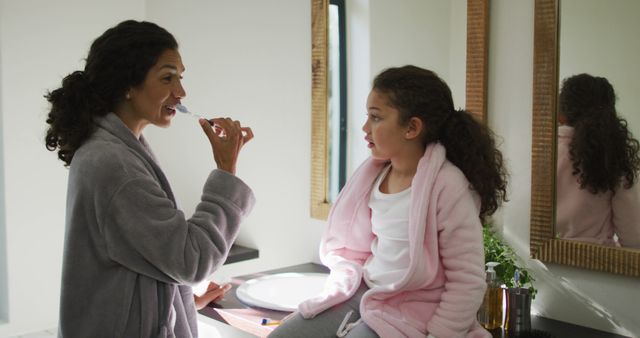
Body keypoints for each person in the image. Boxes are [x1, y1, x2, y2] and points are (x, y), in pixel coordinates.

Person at [44, 20, 255, 337]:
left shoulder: (113, 150)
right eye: (168, 78)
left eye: (181, 78)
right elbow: (191, 260)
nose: (181, 93)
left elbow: (130, 256)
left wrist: (180, 300)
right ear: (127, 84)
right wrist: (226, 170)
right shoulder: (117, 167)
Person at [269, 66, 507, 338]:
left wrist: (440, 334)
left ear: (412, 127)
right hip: (366, 293)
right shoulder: (375, 174)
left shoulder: (448, 185)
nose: (364, 128)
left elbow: (467, 281)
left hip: (412, 307)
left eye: (375, 118)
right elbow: (358, 247)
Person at [556, 73, 640, 248]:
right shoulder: (611, 156)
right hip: (595, 266)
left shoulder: (540, 150)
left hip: (542, 258)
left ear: (561, 114)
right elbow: (632, 236)